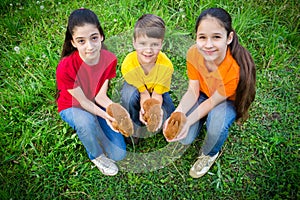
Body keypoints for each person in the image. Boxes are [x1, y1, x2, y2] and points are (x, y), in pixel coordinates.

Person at [163, 8, 256, 178]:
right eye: (202, 37)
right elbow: (193, 90)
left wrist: (187, 121)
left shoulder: (234, 68)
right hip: (203, 94)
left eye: (216, 37)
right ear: (196, 37)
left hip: (225, 101)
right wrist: (178, 114)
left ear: (229, 38)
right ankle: (199, 122)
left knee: (216, 125)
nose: (208, 44)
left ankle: (210, 153)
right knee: (185, 138)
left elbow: (213, 102)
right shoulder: (193, 53)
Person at [56, 8, 127, 176]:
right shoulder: (65, 67)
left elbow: (100, 96)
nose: (89, 46)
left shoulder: (109, 59)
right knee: (85, 122)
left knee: (119, 154)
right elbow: (84, 102)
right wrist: (106, 116)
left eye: (94, 38)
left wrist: (116, 113)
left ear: (101, 36)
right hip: (73, 105)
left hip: (94, 102)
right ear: (73, 42)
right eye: (81, 41)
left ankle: (94, 129)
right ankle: (96, 155)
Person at [121, 14, 175, 144]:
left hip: (157, 90)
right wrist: (143, 106)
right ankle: (134, 126)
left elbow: (157, 94)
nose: (148, 50)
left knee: (169, 111)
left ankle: (160, 126)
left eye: (155, 44)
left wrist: (154, 112)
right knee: (128, 96)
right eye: (143, 43)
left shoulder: (166, 66)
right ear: (134, 43)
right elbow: (143, 92)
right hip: (137, 88)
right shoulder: (128, 64)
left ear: (162, 44)